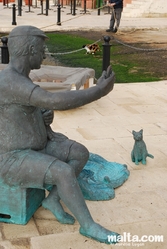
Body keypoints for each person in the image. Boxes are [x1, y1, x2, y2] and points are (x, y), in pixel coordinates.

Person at [0, 25, 118, 244]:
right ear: (30, 49)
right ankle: (89, 226)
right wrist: (99, 91)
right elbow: (54, 100)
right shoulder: (10, 81)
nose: (44, 54)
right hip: (13, 158)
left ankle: (53, 200)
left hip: (37, 146)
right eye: (42, 49)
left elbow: (32, 108)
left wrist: (41, 117)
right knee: (63, 172)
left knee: (79, 153)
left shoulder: (21, 78)